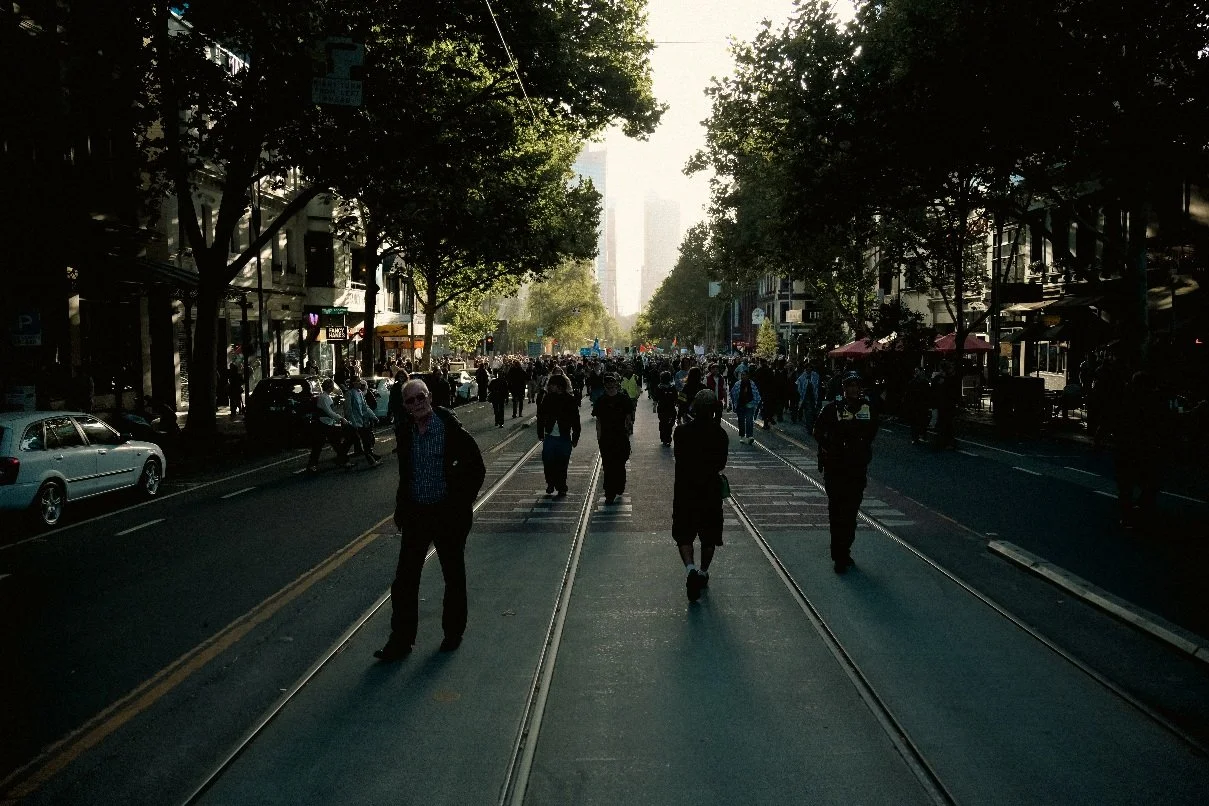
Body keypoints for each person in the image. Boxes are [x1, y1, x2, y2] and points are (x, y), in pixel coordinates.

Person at [375, 379, 486, 661]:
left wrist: (461, 503)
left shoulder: (450, 429)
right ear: (405, 407)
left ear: (430, 397)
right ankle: (400, 640)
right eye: (410, 401)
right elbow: (406, 473)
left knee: (453, 575)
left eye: (420, 397)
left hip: (447, 515)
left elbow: (476, 467)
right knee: (404, 581)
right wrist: (403, 507)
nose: (417, 404)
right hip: (417, 515)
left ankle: (452, 633)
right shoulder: (406, 431)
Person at [813, 372, 878, 574]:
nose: (853, 389)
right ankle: (838, 554)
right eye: (849, 386)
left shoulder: (867, 409)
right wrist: (831, 447)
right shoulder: (833, 409)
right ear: (844, 388)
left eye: (856, 386)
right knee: (837, 511)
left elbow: (871, 433)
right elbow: (818, 432)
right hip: (835, 468)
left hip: (856, 469)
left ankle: (845, 549)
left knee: (851, 512)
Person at [673, 389, 729, 602]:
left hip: (685, 489)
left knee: (684, 533)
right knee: (709, 535)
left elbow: (679, 458)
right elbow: (721, 464)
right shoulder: (720, 434)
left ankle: (690, 569)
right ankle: (703, 572)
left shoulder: (681, 432)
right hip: (710, 490)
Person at [536, 374, 581, 496]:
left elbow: (576, 420)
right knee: (548, 462)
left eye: (552, 385)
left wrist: (575, 437)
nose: (549, 387)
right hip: (550, 436)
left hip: (564, 436)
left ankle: (561, 486)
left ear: (559, 386)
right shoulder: (548, 398)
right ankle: (550, 483)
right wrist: (540, 432)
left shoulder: (570, 400)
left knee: (562, 463)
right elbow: (540, 416)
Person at [592, 373, 633, 503]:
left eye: (612, 383)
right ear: (605, 386)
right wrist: (599, 435)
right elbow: (598, 420)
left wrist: (628, 429)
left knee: (620, 463)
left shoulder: (623, 399)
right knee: (608, 465)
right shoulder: (601, 400)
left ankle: (619, 485)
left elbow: (628, 417)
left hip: (621, 435)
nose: (610, 386)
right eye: (607, 384)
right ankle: (609, 492)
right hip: (606, 437)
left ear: (616, 384)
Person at [306, 378, 350, 472]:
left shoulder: (326, 396)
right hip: (322, 424)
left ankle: (343, 461)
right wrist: (340, 418)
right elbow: (329, 412)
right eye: (332, 386)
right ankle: (312, 465)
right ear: (329, 387)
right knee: (320, 445)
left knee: (334, 443)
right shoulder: (323, 397)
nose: (333, 388)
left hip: (327, 423)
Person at [344, 378, 382, 466]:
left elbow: (365, 407)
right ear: (353, 383)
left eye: (359, 381)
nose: (359, 383)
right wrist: (353, 422)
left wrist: (374, 417)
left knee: (365, 440)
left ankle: (370, 459)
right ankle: (343, 459)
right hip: (354, 422)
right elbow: (348, 410)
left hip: (361, 421)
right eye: (357, 381)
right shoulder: (349, 394)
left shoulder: (360, 393)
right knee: (349, 442)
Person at [730, 367, 762, 444]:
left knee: (749, 420)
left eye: (745, 375)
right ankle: (742, 436)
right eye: (742, 375)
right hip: (740, 405)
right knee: (741, 421)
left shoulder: (752, 384)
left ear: (748, 376)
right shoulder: (737, 384)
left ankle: (750, 436)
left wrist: (756, 403)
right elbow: (733, 394)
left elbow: (756, 394)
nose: (743, 376)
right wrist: (733, 405)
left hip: (750, 404)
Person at [903, 366, 932, 444]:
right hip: (918, 405)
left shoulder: (917, 382)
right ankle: (919, 436)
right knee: (919, 421)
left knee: (918, 421)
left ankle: (916, 437)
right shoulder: (921, 382)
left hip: (918, 405)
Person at [654, 370, 679, 446]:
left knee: (668, 424)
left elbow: (676, 397)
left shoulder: (672, 387)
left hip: (668, 408)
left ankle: (666, 438)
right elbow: (656, 398)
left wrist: (654, 407)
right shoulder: (659, 388)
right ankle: (666, 438)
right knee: (664, 423)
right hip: (664, 409)